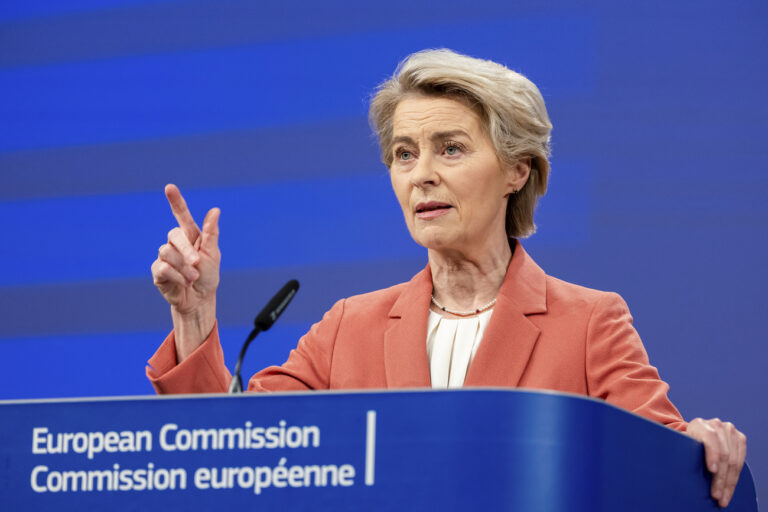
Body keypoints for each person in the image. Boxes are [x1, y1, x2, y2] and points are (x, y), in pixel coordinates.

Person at [147, 49, 746, 507]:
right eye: (403, 154)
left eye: (450, 149)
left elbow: (658, 459)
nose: (421, 175)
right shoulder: (349, 326)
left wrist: (698, 447)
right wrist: (195, 314)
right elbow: (234, 457)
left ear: (517, 170)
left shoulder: (589, 322)